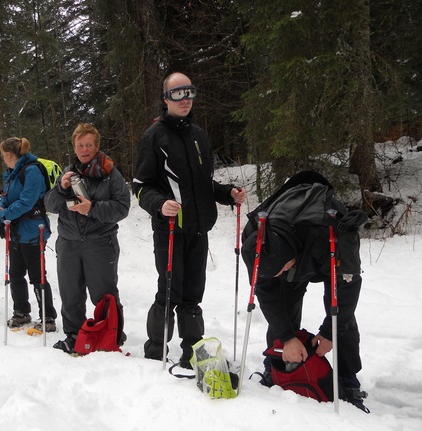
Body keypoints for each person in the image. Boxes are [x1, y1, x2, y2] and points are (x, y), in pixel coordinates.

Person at [133, 72, 247, 367]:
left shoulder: (198, 134)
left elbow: (201, 184)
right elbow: (141, 186)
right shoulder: (153, 137)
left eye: (189, 93)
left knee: (193, 293)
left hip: (198, 229)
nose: (185, 100)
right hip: (170, 228)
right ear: (166, 99)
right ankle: (156, 350)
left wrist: (227, 193)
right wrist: (160, 205)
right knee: (170, 289)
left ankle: (192, 353)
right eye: (177, 94)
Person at [240, 171, 369, 411]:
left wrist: (330, 332)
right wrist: (287, 337)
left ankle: (347, 377)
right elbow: (266, 291)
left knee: (340, 313)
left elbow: (348, 287)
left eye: (279, 270)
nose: (275, 275)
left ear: (288, 260)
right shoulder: (255, 234)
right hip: (293, 250)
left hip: (324, 251)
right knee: (283, 306)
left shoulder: (333, 232)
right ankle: (277, 364)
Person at [44, 123, 130, 353]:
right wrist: (61, 189)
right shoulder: (67, 173)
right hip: (69, 242)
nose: (84, 149)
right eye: (80, 145)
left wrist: (92, 208)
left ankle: (111, 333)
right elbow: (50, 205)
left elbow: (122, 208)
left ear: (96, 146)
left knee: (104, 294)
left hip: (100, 242)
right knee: (70, 293)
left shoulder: (110, 173)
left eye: (89, 144)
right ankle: (74, 335)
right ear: (74, 147)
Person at [0, 137, 58, 332]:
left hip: (33, 230)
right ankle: (21, 311)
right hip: (16, 231)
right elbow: (5, 196)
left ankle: (48, 317)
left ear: (10, 155)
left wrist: (3, 215)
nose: (3, 159)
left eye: (4, 156)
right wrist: (1, 208)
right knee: (16, 273)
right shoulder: (12, 173)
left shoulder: (32, 171)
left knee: (37, 275)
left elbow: (27, 202)